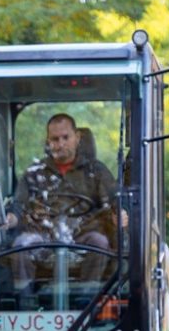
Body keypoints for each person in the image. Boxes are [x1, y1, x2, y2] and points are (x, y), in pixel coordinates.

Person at [6, 113, 121, 285]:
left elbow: (116, 201)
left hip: (83, 236)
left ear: (77, 137)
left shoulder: (96, 171)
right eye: (55, 139)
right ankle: (24, 299)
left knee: (100, 242)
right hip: (43, 237)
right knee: (21, 244)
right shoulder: (34, 172)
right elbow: (18, 205)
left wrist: (120, 213)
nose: (60, 144)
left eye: (65, 137)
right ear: (48, 141)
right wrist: (10, 218)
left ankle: (87, 294)